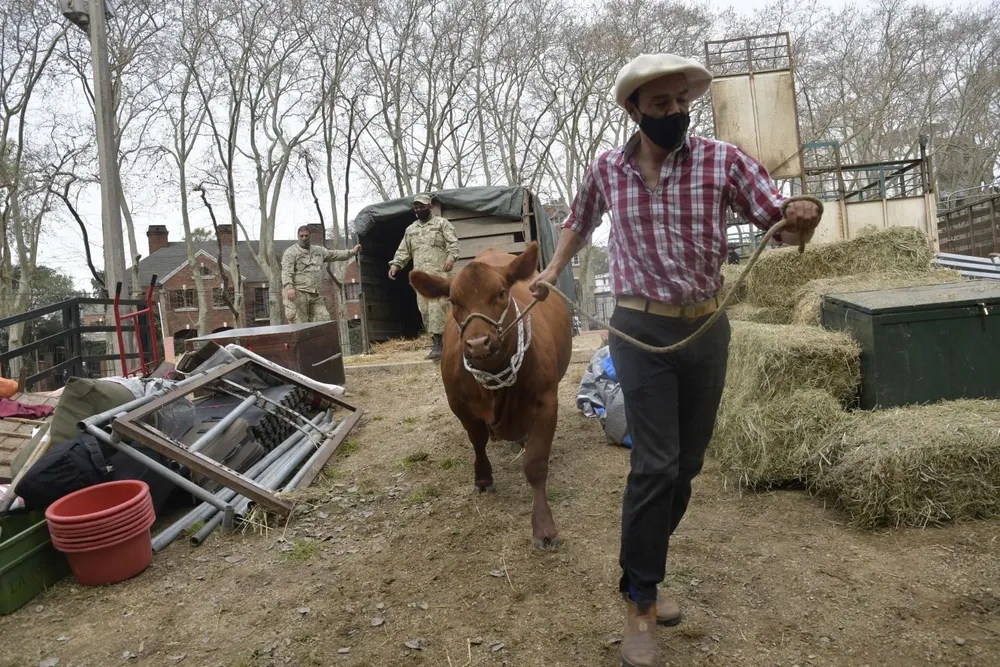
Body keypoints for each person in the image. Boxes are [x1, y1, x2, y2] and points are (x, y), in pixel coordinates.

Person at [528, 53, 822, 667]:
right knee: (656, 464)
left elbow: (781, 223)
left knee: (687, 465)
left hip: (707, 326)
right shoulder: (607, 169)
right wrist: (552, 272)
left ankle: (642, 572)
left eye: (680, 103)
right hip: (638, 331)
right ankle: (640, 601)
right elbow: (578, 221)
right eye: (660, 106)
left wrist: (803, 213)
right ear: (634, 110)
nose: (674, 114)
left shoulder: (722, 161)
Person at [388, 193, 460, 360]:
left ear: (430, 206)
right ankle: (436, 342)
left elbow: (453, 243)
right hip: (421, 280)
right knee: (425, 311)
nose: (418, 209)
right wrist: (395, 265)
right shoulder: (411, 230)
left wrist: (451, 257)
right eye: (416, 207)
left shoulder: (442, 224)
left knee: (438, 308)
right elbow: (403, 251)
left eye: (421, 206)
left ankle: (439, 345)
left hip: (439, 277)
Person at [281, 226, 361, 324]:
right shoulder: (291, 252)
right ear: (298, 237)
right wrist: (289, 287)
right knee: (299, 325)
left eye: (306, 235)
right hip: (298, 293)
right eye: (301, 236)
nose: (304, 238)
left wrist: (352, 252)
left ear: (310, 236)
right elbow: (286, 271)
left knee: (323, 320)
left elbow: (334, 254)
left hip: (315, 293)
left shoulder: (318, 251)